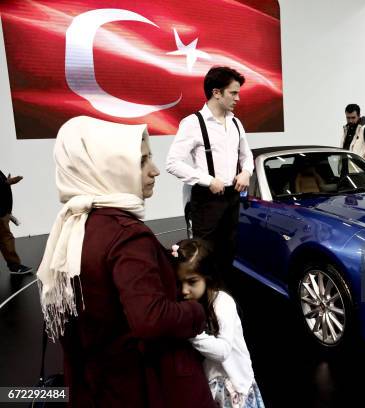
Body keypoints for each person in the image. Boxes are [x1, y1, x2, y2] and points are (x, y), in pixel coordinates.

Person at [37, 116, 214, 407]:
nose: (155, 171)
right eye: (142, 161)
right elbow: (151, 319)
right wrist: (196, 311)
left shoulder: (75, 228)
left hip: (95, 385)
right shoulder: (127, 236)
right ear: (111, 167)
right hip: (141, 386)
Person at [166, 66, 254, 275]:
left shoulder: (236, 123)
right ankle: (203, 303)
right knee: (203, 255)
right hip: (207, 200)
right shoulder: (192, 123)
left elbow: (247, 155)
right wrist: (207, 180)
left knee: (228, 251)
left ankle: (223, 296)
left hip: (232, 197)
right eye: (233, 93)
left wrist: (246, 172)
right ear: (216, 92)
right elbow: (172, 162)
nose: (238, 98)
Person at [171, 239, 265, 408]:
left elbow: (222, 351)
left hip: (235, 386)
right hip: (213, 386)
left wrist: (191, 331)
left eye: (192, 282)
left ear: (206, 277)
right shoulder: (190, 305)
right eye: (180, 283)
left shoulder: (223, 302)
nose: (184, 290)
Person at [0, 170, 32, 275]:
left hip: (3, 212)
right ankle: (14, 266)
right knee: (6, 238)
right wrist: (7, 183)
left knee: (6, 238)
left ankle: (14, 265)